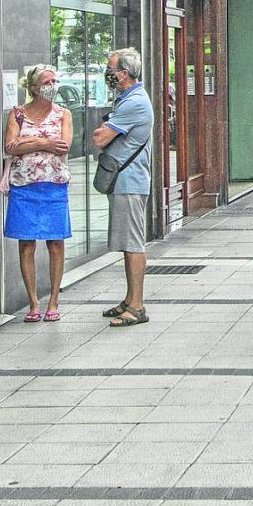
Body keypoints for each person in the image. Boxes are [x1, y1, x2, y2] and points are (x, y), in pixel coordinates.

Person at [3, 64, 73, 323]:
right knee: (27, 243)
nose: (52, 87)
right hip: (24, 185)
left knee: (55, 243)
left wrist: (27, 144)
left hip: (54, 184)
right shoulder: (18, 114)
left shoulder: (63, 114)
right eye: (46, 82)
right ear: (33, 87)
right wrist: (43, 143)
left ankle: (53, 300)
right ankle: (33, 303)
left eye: (55, 81)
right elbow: (10, 146)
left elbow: (64, 146)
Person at [94, 48, 155, 328]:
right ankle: (130, 300)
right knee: (128, 243)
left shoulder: (135, 103)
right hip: (124, 181)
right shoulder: (126, 99)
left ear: (124, 73)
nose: (108, 74)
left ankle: (138, 306)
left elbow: (99, 138)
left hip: (130, 181)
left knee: (132, 243)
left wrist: (105, 129)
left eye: (111, 70)